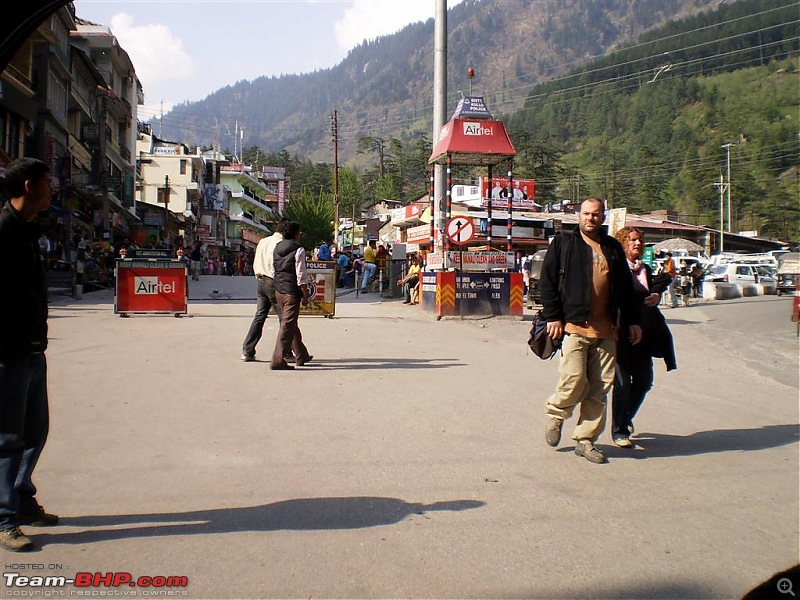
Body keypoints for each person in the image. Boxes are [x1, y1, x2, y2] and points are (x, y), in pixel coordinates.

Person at [539, 197, 641, 464]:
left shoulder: (612, 248)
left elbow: (626, 290)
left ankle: (585, 440)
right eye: (586, 213)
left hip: (606, 329)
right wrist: (553, 316)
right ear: (579, 215)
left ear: (602, 217)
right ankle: (556, 414)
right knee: (573, 380)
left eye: (595, 214)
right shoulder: (564, 243)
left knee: (599, 388)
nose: (590, 218)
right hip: (574, 326)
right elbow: (547, 282)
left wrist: (632, 321)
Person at [0, 158, 59, 552]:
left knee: (36, 430)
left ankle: (21, 498)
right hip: (7, 351)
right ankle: (5, 519)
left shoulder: (27, 230)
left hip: (33, 348)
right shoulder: (2, 231)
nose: (52, 187)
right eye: (47, 181)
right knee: (7, 437)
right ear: (27, 186)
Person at [610, 227, 676, 448]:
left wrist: (656, 295)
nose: (637, 244)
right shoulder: (616, 270)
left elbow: (650, 293)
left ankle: (625, 417)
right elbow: (620, 301)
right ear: (622, 243)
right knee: (622, 384)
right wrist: (630, 324)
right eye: (632, 240)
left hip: (644, 336)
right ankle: (619, 431)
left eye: (639, 240)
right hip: (621, 333)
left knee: (644, 382)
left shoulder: (645, 269)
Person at [241, 220, 288, 362]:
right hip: (273, 282)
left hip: (261, 281)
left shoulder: (263, 241)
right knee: (284, 319)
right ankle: (285, 352)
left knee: (260, 316)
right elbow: (273, 265)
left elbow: (257, 261)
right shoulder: (280, 244)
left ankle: (247, 350)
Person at [271, 220, 313, 370]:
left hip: (279, 290)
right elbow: (301, 273)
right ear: (296, 233)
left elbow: (273, 268)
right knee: (287, 325)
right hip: (291, 292)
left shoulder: (276, 247)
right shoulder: (298, 249)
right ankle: (277, 359)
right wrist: (305, 294)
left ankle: (301, 356)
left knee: (290, 323)